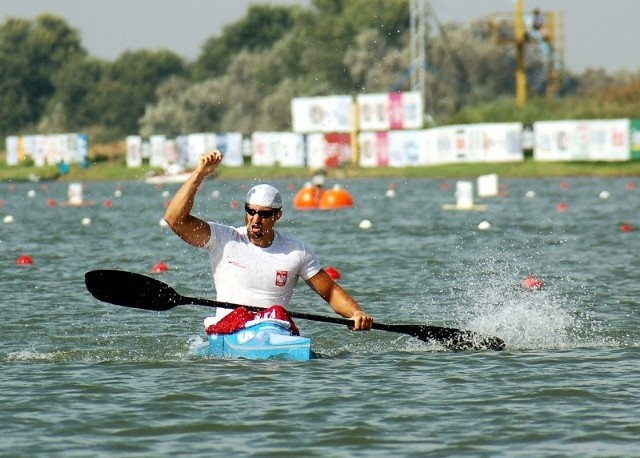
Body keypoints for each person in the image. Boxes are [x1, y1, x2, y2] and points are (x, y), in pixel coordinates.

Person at [164, 150, 373, 334]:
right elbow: (175, 219)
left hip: (274, 329)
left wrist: (356, 313)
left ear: (277, 216)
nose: (255, 219)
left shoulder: (296, 251)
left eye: (264, 214)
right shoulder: (224, 239)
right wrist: (199, 174)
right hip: (229, 330)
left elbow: (330, 291)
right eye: (251, 211)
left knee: (278, 317)